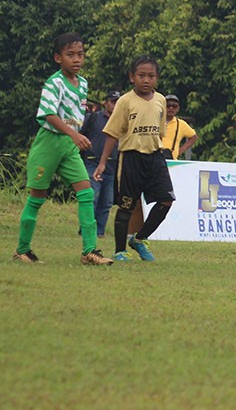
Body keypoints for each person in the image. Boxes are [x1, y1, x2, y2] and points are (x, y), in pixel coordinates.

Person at [12, 33, 113, 265]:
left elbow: (75, 115)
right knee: (37, 197)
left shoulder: (83, 83)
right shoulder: (54, 82)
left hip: (68, 145)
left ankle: (89, 251)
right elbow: (48, 114)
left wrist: (77, 134)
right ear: (58, 58)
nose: (77, 59)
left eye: (80, 54)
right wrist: (74, 134)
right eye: (70, 55)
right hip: (49, 143)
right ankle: (22, 249)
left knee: (86, 192)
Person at [94, 56, 175, 263]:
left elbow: (160, 132)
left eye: (151, 76)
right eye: (141, 76)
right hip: (131, 158)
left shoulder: (161, 101)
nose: (146, 80)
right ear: (132, 77)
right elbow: (112, 133)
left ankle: (140, 239)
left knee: (166, 200)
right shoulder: (125, 102)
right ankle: (120, 250)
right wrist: (103, 162)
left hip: (155, 157)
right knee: (127, 206)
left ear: (156, 78)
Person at [79, 90, 120, 237]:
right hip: (92, 161)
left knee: (107, 201)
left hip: (112, 164)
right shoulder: (94, 117)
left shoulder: (122, 120)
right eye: (113, 102)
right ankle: (86, 229)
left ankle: (99, 231)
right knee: (92, 197)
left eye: (118, 102)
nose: (116, 105)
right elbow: (80, 134)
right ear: (106, 103)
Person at [160, 94, 198, 160]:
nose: (171, 108)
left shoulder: (181, 124)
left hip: (172, 161)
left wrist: (181, 150)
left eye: (174, 106)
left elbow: (194, 137)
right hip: (154, 160)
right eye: (168, 106)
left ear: (178, 108)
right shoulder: (155, 121)